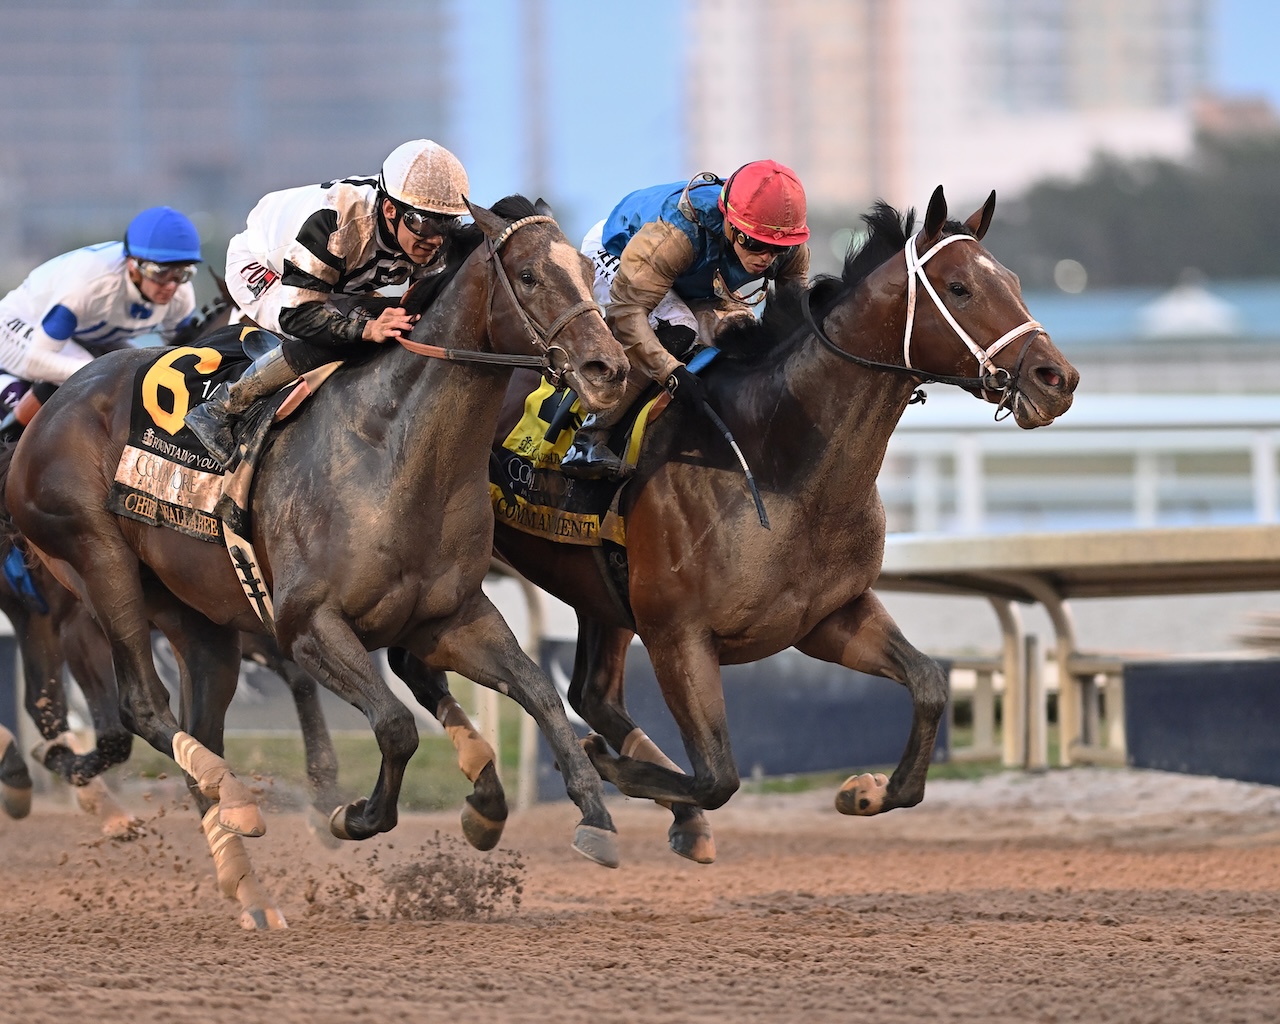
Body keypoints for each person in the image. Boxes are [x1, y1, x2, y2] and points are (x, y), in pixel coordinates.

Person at [182, 139, 471, 467]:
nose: (435, 240)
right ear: (391, 210)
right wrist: (366, 329)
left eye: (447, 225)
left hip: (337, 277)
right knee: (338, 337)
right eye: (424, 224)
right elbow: (299, 316)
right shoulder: (335, 223)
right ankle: (222, 408)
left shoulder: (417, 227)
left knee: (403, 322)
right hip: (265, 269)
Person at [559, 159, 812, 480]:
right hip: (618, 250)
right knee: (679, 328)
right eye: (756, 243)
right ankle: (590, 436)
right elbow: (627, 313)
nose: (766, 257)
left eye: (779, 248)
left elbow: (795, 323)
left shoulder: (787, 247)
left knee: (742, 334)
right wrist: (671, 373)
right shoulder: (676, 235)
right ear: (731, 224)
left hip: (689, 271)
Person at [0, 206, 202, 437]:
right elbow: (35, 361)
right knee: (93, 373)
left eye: (182, 274)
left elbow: (182, 359)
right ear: (132, 265)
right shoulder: (91, 283)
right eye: (160, 273)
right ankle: (7, 437)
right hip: (23, 325)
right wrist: (102, 373)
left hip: (84, 333)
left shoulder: (181, 295)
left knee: (141, 368)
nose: (171, 286)